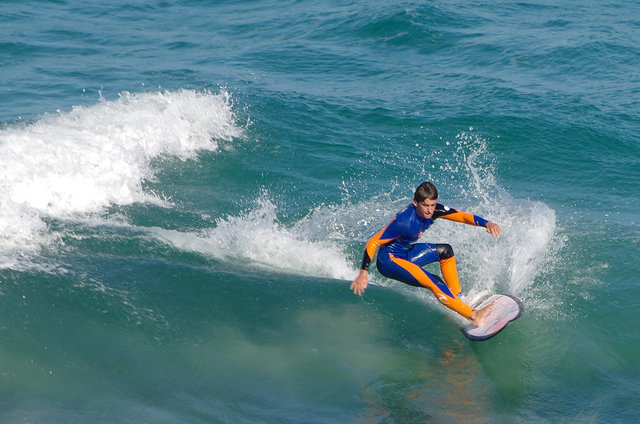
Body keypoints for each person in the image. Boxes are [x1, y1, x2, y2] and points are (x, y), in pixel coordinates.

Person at [350, 181, 502, 327]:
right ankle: (474, 316)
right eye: (425, 205)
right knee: (434, 281)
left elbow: (461, 216)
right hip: (389, 261)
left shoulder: (434, 210)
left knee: (445, 251)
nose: (430, 210)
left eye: (433, 205)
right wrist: (363, 272)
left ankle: (459, 299)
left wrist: (487, 223)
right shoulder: (404, 222)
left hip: (405, 253)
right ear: (415, 203)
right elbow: (373, 242)